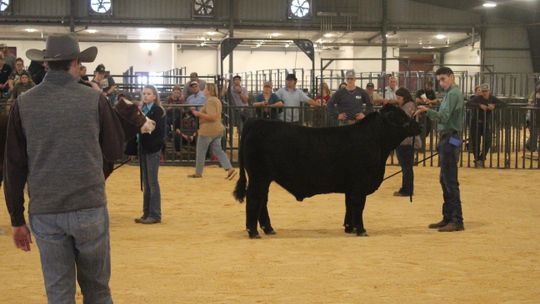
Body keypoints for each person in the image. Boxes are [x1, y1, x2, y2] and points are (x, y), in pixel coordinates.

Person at [3, 33, 128, 303]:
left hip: (46, 210)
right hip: (89, 206)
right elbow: (116, 149)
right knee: (97, 290)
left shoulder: (23, 103)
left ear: (46, 64)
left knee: (59, 293)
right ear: (76, 62)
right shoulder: (93, 100)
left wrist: (16, 219)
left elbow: (13, 167)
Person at [415, 67, 465, 232]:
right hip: (451, 137)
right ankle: (448, 217)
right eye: (439, 80)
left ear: (451, 77)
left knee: (449, 180)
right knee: (445, 179)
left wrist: (427, 110)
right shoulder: (452, 93)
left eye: (443, 79)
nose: (441, 83)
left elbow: (444, 116)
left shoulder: (452, 94)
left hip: (450, 138)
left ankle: (456, 220)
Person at [126, 85, 165, 225]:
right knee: (147, 182)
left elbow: (158, 132)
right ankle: (146, 212)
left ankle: (155, 214)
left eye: (149, 94)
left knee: (152, 182)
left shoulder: (158, 111)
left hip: (153, 149)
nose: (146, 96)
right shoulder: (142, 110)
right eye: (144, 93)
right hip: (143, 148)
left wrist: (154, 145)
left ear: (154, 96)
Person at [188, 83, 236, 179]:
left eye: (205, 88)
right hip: (217, 129)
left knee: (201, 151)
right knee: (218, 150)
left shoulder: (210, 101)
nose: (203, 90)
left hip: (207, 130)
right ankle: (229, 168)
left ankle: (198, 173)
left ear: (209, 91)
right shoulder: (217, 100)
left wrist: (198, 114)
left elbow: (212, 117)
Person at [393, 87, 420, 197]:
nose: (397, 100)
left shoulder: (409, 106)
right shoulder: (406, 105)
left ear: (404, 97)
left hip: (407, 141)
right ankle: (406, 188)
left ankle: (407, 190)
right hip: (404, 140)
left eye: (399, 98)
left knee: (406, 166)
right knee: (406, 166)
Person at [467, 83, 501, 167]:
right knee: (476, 142)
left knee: (488, 140)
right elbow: (467, 104)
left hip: (486, 123)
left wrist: (494, 106)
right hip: (475, 122)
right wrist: (479, 105)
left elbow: (504, 104)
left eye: (486, 91)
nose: (484, 93)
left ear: (489, 91)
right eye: (483, 91)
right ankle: (477, 159)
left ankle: (482, 158)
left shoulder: (492, 98)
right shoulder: (476, 98)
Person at [525, 83, 540, 152]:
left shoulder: (534, 96)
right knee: (534, 133)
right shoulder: (534, 97)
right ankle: (530, 146)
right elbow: (530, 106)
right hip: (533, 118)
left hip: (534, 118)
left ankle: (531, 146)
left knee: (534, 133)